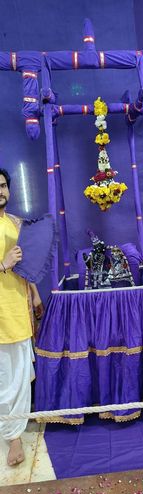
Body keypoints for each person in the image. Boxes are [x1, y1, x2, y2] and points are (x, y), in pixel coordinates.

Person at [0, 167, 43, 466]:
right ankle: (12, 437)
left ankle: (15, 425)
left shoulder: (15, 222)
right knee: (5, 377)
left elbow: (25, 262)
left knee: (19, 373)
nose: (0, 191)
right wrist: (2, 264)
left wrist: (36, 293)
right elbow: (9, 262)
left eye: (3, 185)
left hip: (18, 307)